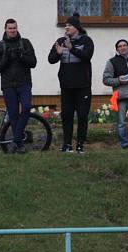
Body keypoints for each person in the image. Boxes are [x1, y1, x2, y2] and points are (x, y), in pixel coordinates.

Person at [48, 12, 94, 154]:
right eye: (66, 25)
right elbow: (51, 59)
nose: (66, 28)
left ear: (76, 28)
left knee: (82, 116)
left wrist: (72, 48)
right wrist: (59, 53)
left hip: (82, 87)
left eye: (69, 25)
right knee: (67, 116)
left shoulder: (86, 41)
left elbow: (87, 57)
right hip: (66, 86)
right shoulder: (61, 40)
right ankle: (66, 145)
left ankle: (80, 145)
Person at [0, 19, 37, 154]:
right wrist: (6, 58)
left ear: (17, 28)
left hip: (24, 84)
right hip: (8, 85)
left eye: (14, 28)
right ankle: (20, 144)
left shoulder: (25, 43)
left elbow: (33, 63)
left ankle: (16, 139)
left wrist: (21, 55)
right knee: (13, 114)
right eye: (10, 28)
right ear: (5, 29)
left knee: (27, 107)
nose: (12, 30)